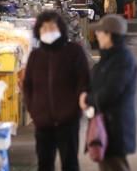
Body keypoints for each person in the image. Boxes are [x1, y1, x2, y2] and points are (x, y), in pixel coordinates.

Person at [23, 11, 90, 171]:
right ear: (38, 31)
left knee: (70, 164)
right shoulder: (35, 56)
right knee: (44, 164)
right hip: (42, 121)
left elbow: (84, 80)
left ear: (60, 28)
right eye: (44, 28)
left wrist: (78, 105)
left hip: (68, 120)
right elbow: (28, 85)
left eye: (52, 27)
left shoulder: (74, 51)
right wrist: (34, 110)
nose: (48, 31)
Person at [80, 15, 137, 171]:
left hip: (115, 126)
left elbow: (111, 92)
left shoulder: (123, 60)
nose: (97, 35)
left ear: (110, 35)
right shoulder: (107, 57)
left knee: (114, 165)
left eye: (100, 32)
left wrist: (88, 99)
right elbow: (95, 82)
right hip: (105, 124)